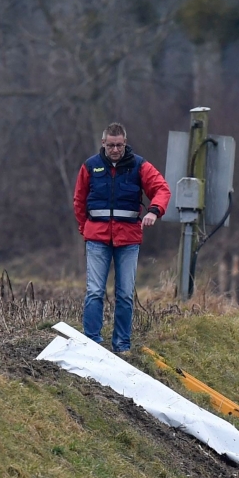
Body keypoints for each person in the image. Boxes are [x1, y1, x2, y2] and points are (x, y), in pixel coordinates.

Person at [73, 122, 170, 352]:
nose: (115, 149)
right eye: (111, 145)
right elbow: (79, 200)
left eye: (119, 145)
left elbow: (162, 189)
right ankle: (92, 343)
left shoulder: (139, 166)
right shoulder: (90, 167)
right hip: (97, 238)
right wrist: (84, 229)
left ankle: (122, 346)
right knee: (95, 291)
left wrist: (154, 211)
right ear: (103, 143)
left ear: (125, 144)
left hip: (128, 240)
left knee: (125, 294)